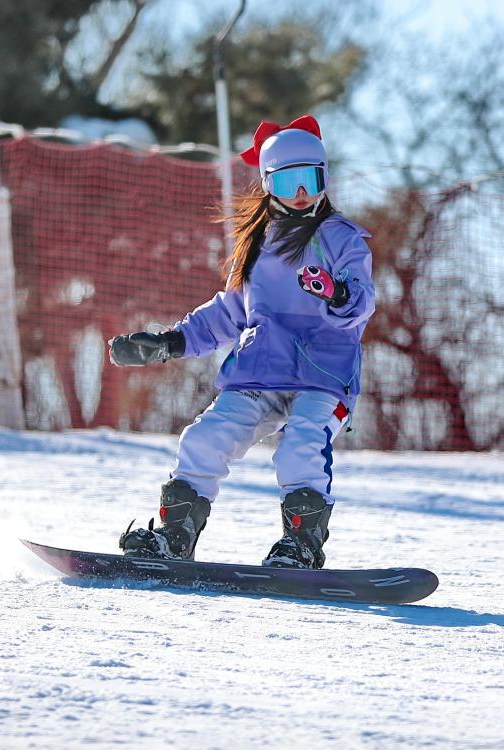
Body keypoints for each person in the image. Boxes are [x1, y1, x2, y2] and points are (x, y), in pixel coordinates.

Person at [108, 114, 375, 567]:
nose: (302, 193)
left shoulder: (342, 238)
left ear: (324, 178)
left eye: (311, 178)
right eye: (289, 181)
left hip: (324, 377)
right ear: (269, 183)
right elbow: (230, 312)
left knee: (301, 447)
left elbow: (361, 300)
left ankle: (301, 546)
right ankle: (176, 536)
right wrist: (171, 343)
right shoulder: (256, 244)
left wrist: (337, 290)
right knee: (204, 438)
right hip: (261, 370)